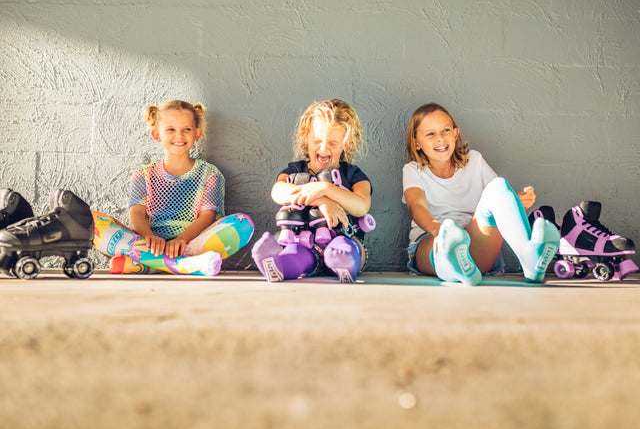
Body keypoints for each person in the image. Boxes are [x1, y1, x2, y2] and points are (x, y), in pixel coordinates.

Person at [402, 102, 559, 285]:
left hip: (475, 242)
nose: (440, 138)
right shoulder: (413, 170)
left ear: (455, 134)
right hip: (432, 239)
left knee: (499, 185)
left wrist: (516, 202)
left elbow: (496, 201)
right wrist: (439, 231)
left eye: (445, 130)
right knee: (440, 245)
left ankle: (529, 257)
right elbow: (417, 206)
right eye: (430, 134)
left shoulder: (474, 160)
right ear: (417, 143)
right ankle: (455, 265)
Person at [92, 100, 254, 276]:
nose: (179, 135)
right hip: (149, 244)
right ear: (157, 134)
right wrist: (150, 238)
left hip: (191, 244)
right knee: (91, 222)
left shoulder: (210, 174)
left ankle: (147, 265)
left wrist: (182, 239)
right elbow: (136, 215)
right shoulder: (143, 174)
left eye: (187, 129)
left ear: (197, 133)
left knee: (242, 223)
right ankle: (185, 265)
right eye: (171, 129)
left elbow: (207, 217)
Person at [251, 99, 372, 283]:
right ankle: (278, 266)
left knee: (345, 248)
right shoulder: (295, 171)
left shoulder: (352, 174)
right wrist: (321, 200)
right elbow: (278, 191)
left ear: (346, 144)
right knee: (295, 254)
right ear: (306, 139)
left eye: (333, 143)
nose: (323, 148)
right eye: (317, 140)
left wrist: (325, 187)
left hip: (344, 239)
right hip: (304, 244)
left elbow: (362, 206)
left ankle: (343, 264)